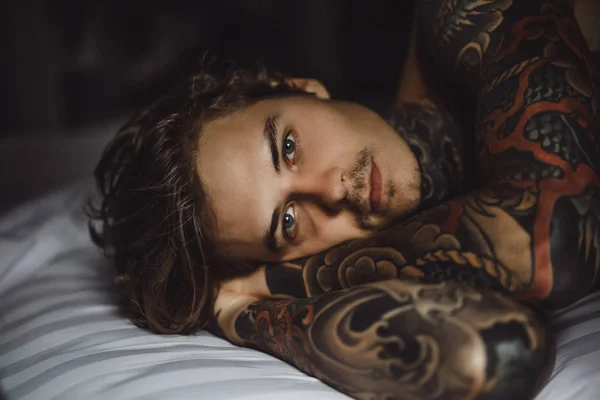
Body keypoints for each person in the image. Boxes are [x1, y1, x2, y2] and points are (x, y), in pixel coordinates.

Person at [90, 0, 600, 399]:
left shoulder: (461, 16)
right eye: (288, 222)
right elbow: (496, 355)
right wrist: (241, 316)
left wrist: (271, 280)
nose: (331, 190)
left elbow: (553, 243)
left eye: (288, 148)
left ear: (299, 87)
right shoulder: (438, 258)